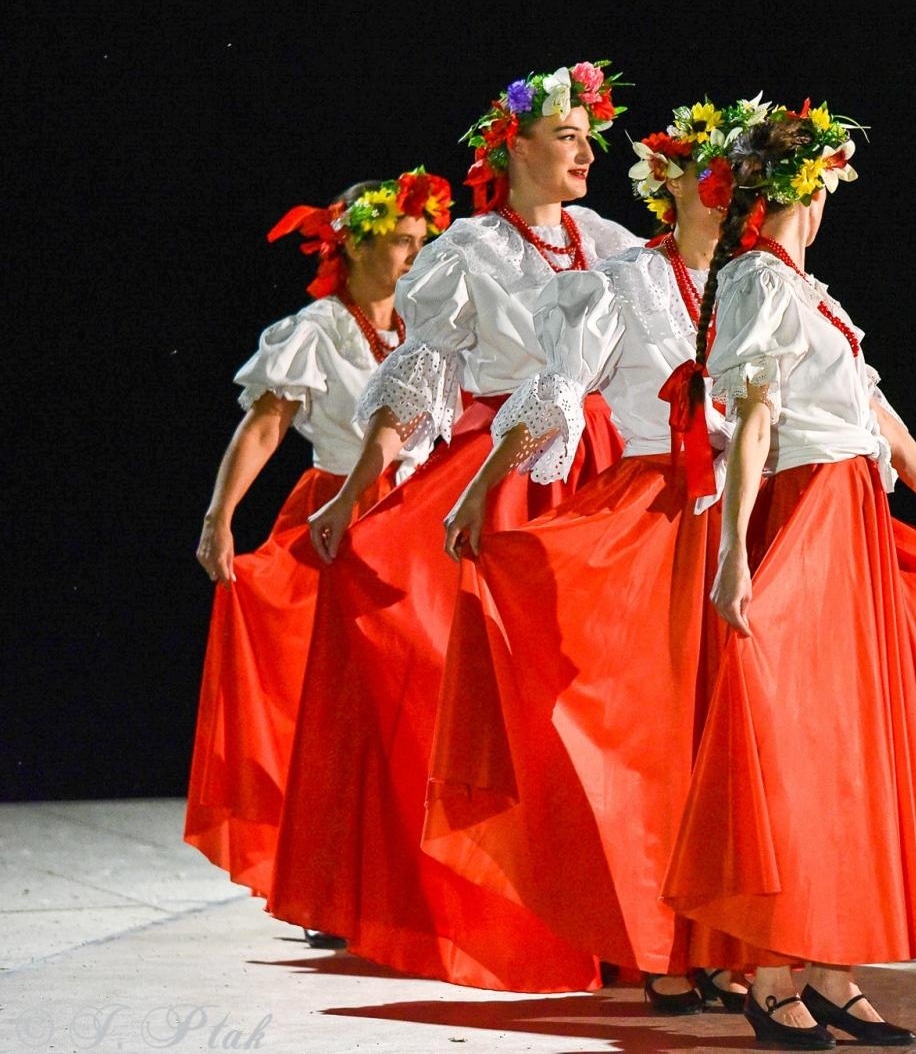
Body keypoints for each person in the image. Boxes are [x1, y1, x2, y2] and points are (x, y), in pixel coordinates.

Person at [660, 105, 916, 1049]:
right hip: (806, 515)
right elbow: (756, 424)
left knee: (851, 748)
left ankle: (830, 968)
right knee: (795, 742)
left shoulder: (812, 293)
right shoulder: (760, 280)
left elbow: (874, 416)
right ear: (801, 188)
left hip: (854, 519)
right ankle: (770, 972)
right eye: (823, 177)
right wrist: (733, 558)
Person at [265, 62, 641, 993]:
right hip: (498, 469)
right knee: (486, 693)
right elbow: (418, 380)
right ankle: (499, 903)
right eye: (567, 136)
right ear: (512, 148)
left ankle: (611, 912)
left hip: (592, 461)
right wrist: (354, 494)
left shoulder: (604, 237)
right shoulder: (469, 249)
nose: (586, 151)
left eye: (588, 136)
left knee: (600, 695)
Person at [423, 98, 775, 1015]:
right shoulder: (624, 282)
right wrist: (481, 482)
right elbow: (561, 386)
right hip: (651, 517)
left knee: (725, 742)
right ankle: (656, 944)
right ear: (673, 185)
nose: (729, 190)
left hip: (734, 515)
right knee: (649, 740)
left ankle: (723, 939)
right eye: (713, 173)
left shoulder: (751, 281)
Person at [186, 170, 449, 908]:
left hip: (419, 515)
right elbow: (266, 423)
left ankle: (409, 873)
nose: (411, 255)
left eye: (418, 241)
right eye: (399, 241)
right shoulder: (317, 330)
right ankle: (333, 884)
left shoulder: (427, 326)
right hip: (343, 511)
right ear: (354, 242)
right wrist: (219, 514)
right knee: (346, 706)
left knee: (419, 698)